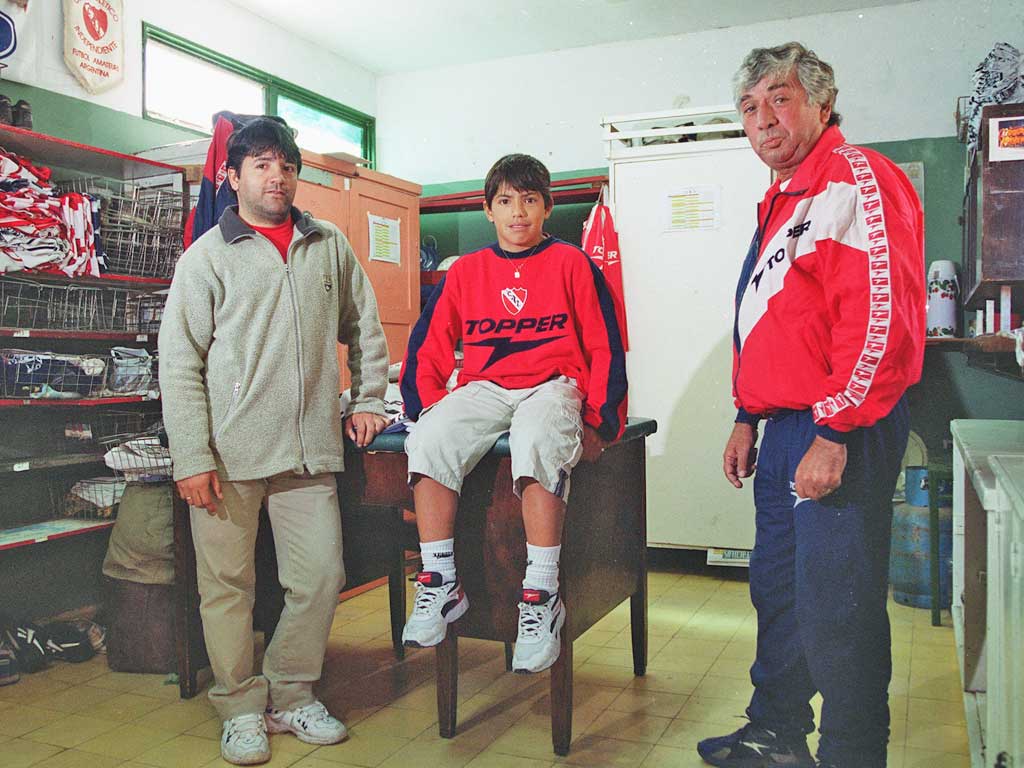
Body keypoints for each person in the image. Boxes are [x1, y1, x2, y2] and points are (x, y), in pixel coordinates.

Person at [698, 43, 925, 768]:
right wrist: (745, 413)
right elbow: (772, 319)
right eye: (749, 106)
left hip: (839, 426)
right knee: (780, 596)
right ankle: (777, 732)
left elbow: (880, 320)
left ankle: (853, 756)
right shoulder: (783, 196)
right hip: (785, 428)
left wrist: (834, 429)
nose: (762, 118)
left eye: (780, 98)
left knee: (840, 610)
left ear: (823, 103)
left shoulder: (855, 178)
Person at [159, 117, 390, 766]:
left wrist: (370, 399)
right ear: (232, 177)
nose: (277, 175)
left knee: (321, 577)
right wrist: (192, 457)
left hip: (309, 453)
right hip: (227, 460)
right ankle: (239, 707)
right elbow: (178, 364)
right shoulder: (204, 258)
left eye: (285, 164)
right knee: (226, 588)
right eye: (261, 164)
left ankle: (290, 693)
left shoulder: (329, 244)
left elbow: (364, 328)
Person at [399, 153, 627, 673]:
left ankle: (542, 595)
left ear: (547, 207)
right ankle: (439, 580)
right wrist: (424, 407)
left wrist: (601, 419)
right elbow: (427, 345)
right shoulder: (466, 272)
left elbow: (606, 344)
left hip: (552, 384)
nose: (517, 212)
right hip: (486, 387)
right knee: (429, 439)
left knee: (538, 438)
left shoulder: (573, 263)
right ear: (488, 210)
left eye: (529, 200)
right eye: (505, 201)